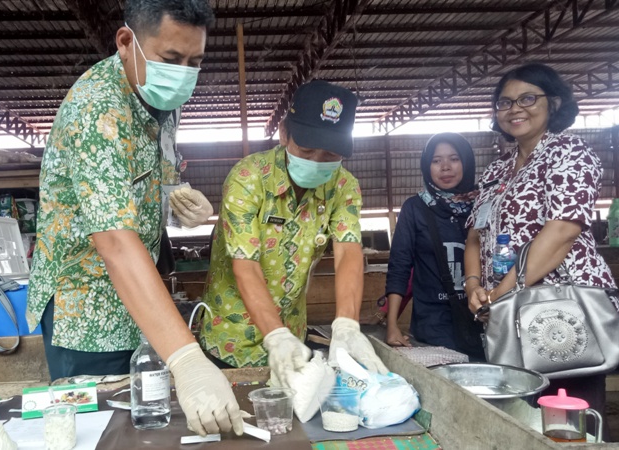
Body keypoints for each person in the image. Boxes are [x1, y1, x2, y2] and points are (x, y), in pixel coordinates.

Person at [26, 0, 242, 437]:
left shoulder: (161, 98)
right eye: (171, 60)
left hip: (138, 299)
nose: (183, 74)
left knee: (146, 422)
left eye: (194, 62)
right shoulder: (97, 111)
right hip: (85, 308)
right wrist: (187, 359)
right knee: (98, 430)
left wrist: (178, 198)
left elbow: (154, 175)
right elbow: (115, 241)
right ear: (126, 42)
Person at [464, 63, 619, 430]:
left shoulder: (570, 154)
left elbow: (562, 232)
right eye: (504, 103)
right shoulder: (497, 170)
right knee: (522, 418)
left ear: (553, 103)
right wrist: (474, 285)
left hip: (562, 309)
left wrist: (501, 295)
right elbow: (475, 232)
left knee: (567, 418)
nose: (514, 109)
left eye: (527, 98)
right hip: (508, 313)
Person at [199, 80, 388, 389]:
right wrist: (275, 336)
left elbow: (348, 252)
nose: (316, 161)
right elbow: (245, 265)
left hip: (295, 337)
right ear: (284, 133)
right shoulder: (249, 178)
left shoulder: (344, 186)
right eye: (307, 149)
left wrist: (346, 325)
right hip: (231, 340)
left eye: (330, 154)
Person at [384, 133, 483, 360]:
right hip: (434, 322)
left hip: (482, 317)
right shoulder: (415, 208)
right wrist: (392, 326)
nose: (445, 167)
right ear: (427, 166)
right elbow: (399, 266)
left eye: (454, 159)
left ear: (466, 162)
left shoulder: (483, 204)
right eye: (436, 161)